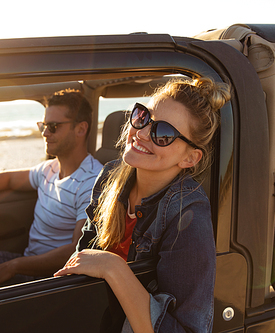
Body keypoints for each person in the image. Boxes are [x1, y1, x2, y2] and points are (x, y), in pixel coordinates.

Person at [54, 77, 231, 332]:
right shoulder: (110, 177)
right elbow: (81, 261)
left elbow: (186, 329)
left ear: (190, 157)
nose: (143, 133)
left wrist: (113, 268)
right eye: (142, 117)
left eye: (164, 133)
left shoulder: (187, 216)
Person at [0, 89, 103, 296]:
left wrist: (13, 266)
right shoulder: (50, 169)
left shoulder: (91, 182)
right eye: (43, 126)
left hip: (47, 278)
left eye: (53, 127)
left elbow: (76, 250)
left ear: (80, 129)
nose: (45, 133)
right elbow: (8, 179)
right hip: (26, 262)